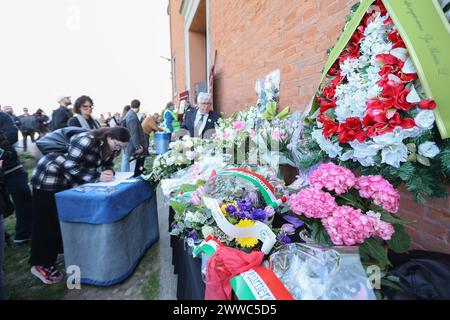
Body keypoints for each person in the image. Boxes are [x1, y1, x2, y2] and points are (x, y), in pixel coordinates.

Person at [29, 127, 130, 284]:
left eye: (121, 147)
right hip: (49, 176)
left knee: (60, 219)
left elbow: (107, 162)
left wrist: (109, 170)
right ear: (109, 137)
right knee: (46, 222)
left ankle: (55, 252)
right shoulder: (86, 140)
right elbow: (70, 165)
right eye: (117, 145)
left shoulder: (111, 146)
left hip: (69, 181)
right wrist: (97, 177)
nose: (118, 149)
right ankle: (40, 264)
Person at [0, 113, 33, 244]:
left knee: (23, 195)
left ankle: (24, 233)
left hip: (11, 166)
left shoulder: (2, 116)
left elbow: (12, 134)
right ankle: (3, 238)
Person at [120, 99, 147, 173]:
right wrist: (137, 146)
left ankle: (126, 173)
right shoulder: (132, 116)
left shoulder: (129, 114)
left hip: (128, 141)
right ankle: (124, 175)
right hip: (130, 142)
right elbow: (133, 133)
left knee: (126, 158)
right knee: (126, 158)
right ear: (139, 107)